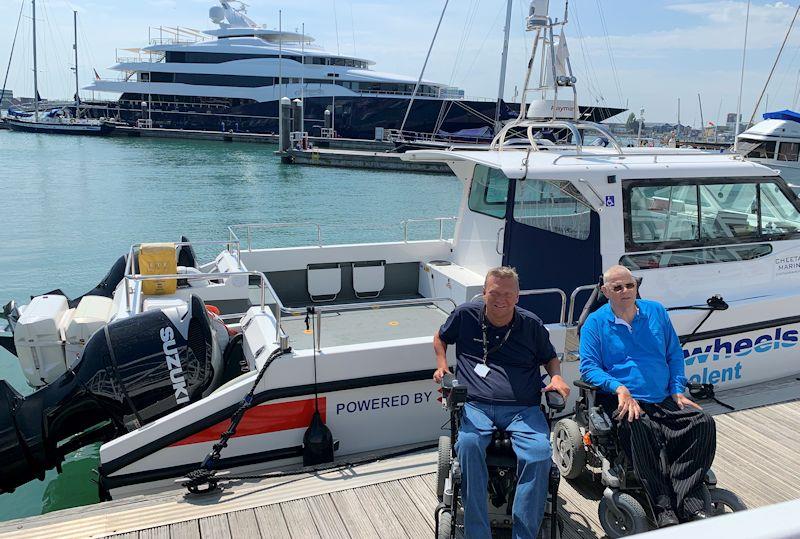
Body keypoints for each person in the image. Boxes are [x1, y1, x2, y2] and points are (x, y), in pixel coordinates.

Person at [433, 266, 569, 539]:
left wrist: (556, 378)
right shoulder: (465, 315)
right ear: (484, 293)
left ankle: (524, 534)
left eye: (508, 294)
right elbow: (441, 338)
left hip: (524, 407)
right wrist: (442, 366)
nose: (501, 299)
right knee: (469, 445)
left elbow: (550, 358)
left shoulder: (530, 324)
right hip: (476, 403)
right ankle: (477, 533)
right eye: (494, 293)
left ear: (517, 297)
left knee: (540, 452)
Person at [579, 265, 716, 528]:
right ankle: (662, 505)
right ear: (605, 291)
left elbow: (674, 354)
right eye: (617, 287)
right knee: (638, 426)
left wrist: (677, 389)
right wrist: (619, 387)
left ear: (636, 286)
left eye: (629, 285)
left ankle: (687, 500)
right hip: (623, 399)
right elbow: (588, 367)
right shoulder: (595, 323)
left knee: (703, 423)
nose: (625, 291)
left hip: (663, 396)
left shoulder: (656, 311)